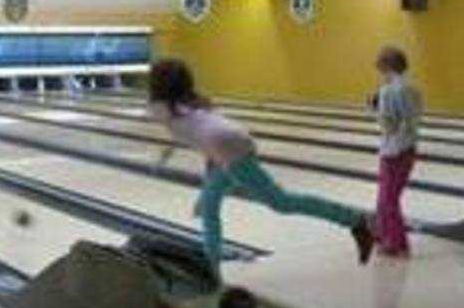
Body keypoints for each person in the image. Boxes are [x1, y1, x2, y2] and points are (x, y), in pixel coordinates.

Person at [148, 59, 374, 281]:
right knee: (209, 205)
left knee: (280, 202)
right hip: (234, 140)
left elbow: (184, 139)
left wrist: (162, 158)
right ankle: (212, 263)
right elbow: (204, 139)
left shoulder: (160, 108)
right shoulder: (196, 102)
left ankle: (356, 220)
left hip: (229, 151)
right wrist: (207, 181)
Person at [371, 46, 423, 258]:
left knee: (387, 200)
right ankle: (387, 238)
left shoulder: (390, 90)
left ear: (387, 66)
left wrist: (385, 121)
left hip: (394, 151)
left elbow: (390, 123)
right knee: (387, 198)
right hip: (408, 148)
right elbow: (411, 119)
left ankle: (398, 244)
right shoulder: (411, 88)